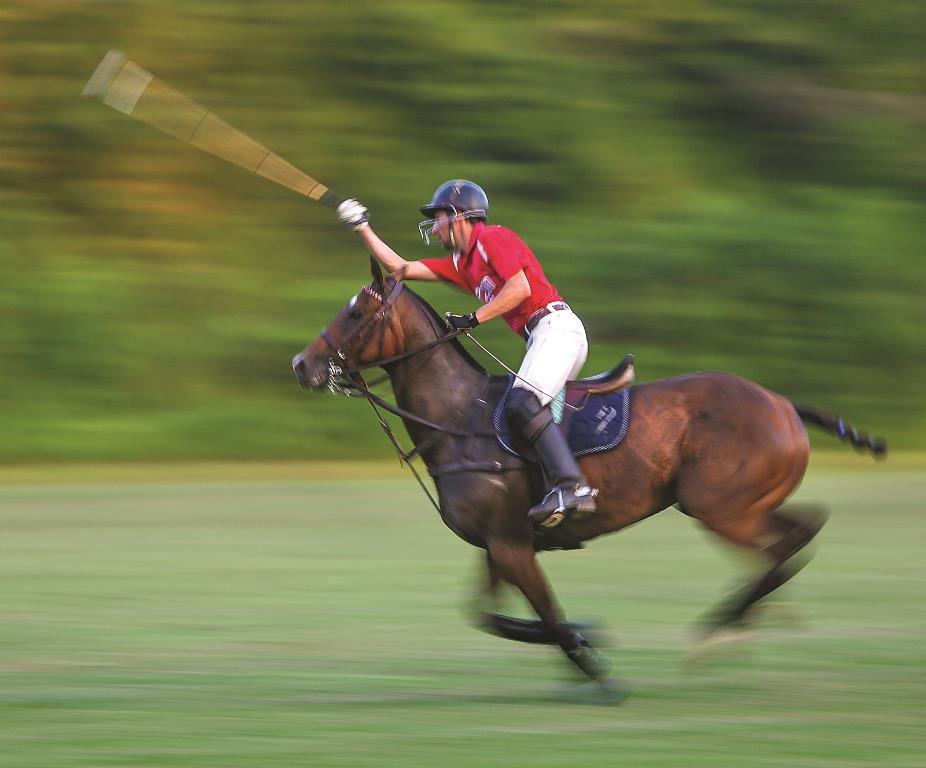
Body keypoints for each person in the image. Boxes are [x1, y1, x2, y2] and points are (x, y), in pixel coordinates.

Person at [336, 180, 596, 528]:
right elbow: (401, 268)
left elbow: (520, 289)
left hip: (556, 328)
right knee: (520, 412)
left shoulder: (491, 239)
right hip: (540, 336)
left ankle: (573, 487)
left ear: (459, 217)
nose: (435, 226)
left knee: (520, 403)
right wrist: (362, 227)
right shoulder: (462, 263)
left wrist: (474, 318)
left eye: (439, 217)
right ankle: (548, 486)